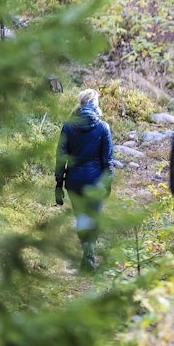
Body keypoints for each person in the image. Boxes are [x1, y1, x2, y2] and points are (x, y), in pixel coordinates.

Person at [55, 88, 114, 272]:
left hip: (74, 181)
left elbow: (61, 158)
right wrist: (108, 182)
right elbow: (108, 160)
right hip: (95, 181)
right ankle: (89, 257)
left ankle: (86, 255)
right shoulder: (103, 127)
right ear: (95, 105)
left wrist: (58, 184)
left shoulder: (68, 126)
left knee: (81, 217)